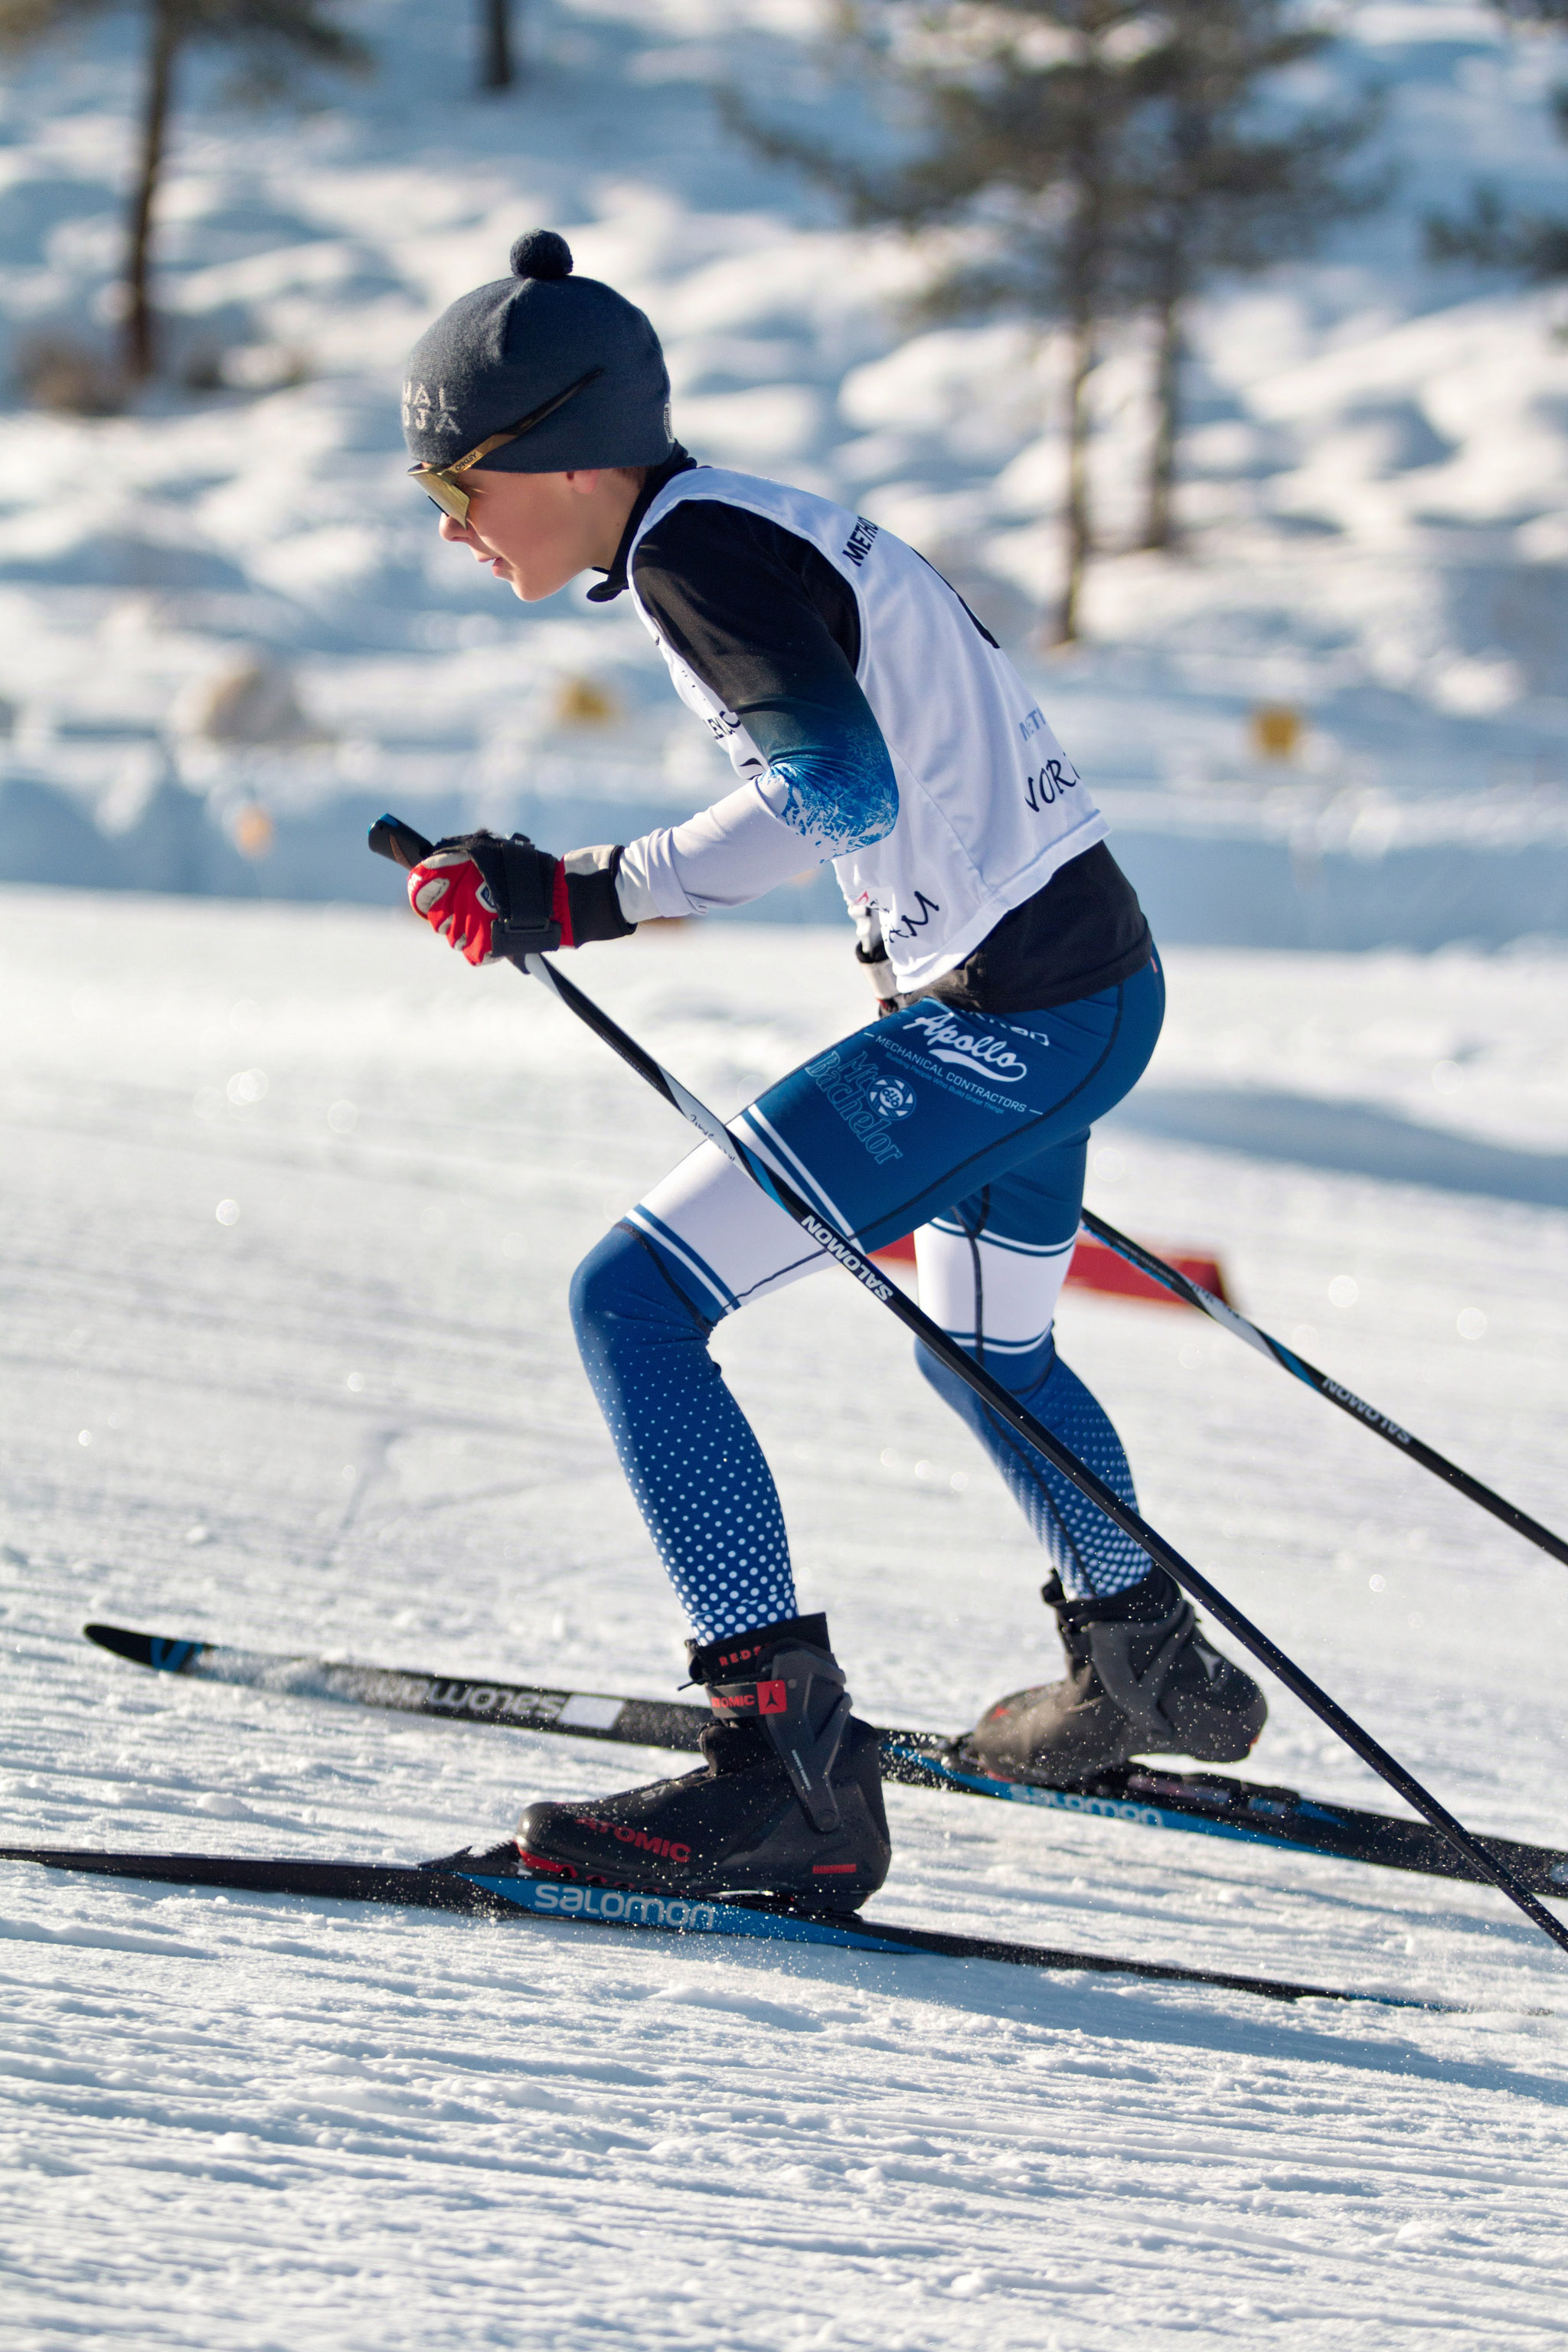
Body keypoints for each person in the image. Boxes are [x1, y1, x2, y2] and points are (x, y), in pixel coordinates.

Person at [400, 229, 1266, 1909]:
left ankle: (781, 1773)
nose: (449, 529)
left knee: (631, 1305)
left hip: (1007, 1015)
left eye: (456, 485)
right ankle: (1140, 1657)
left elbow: (839, 799)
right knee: (984, 1346)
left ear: (558, 456)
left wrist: (581, 893)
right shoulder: (739, 523)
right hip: (1079, 986)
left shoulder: (694, 557)